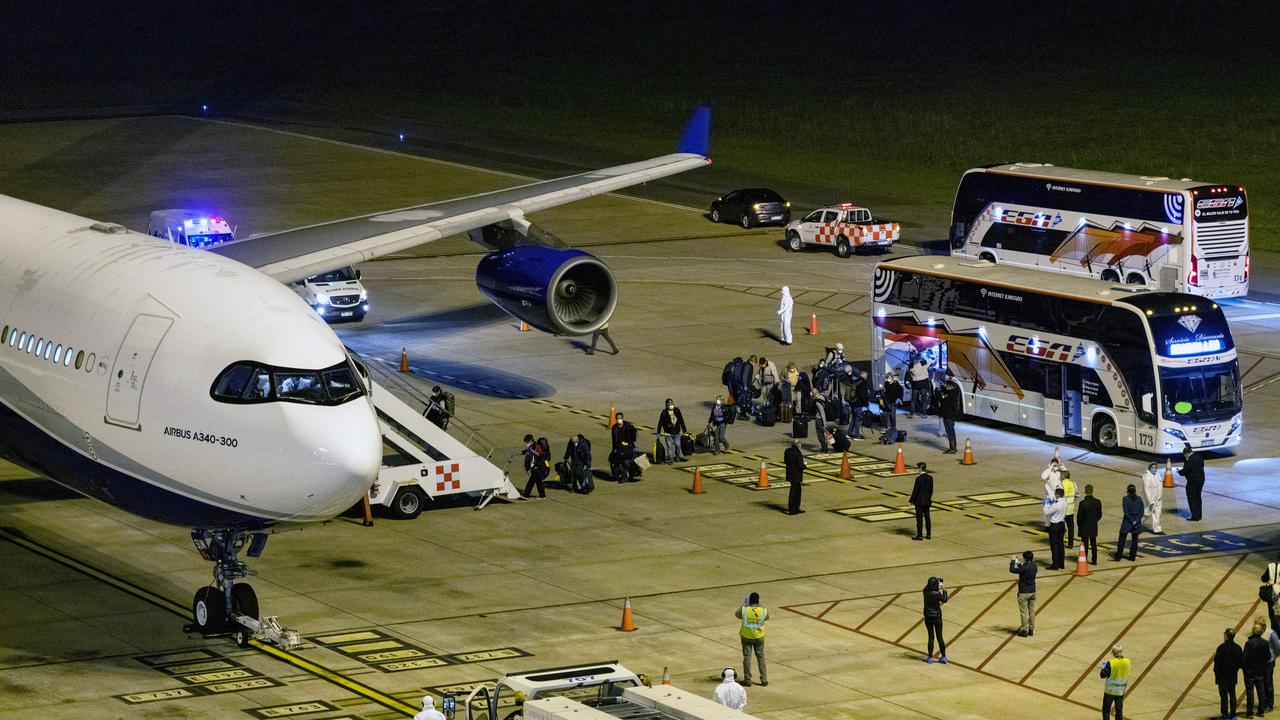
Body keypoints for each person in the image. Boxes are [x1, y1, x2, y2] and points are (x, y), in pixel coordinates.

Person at [735, 592, 768, 686]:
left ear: (749, 600)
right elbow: (767, 617)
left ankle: (748, 680)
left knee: (747, 657)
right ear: (758, 600)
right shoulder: (763, 610)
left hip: (746, 636)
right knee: (761, 657)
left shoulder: (745, 610)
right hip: (759, 637)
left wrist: (744, 605)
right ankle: (764, 679)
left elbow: (737, 614)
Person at [1215, 628, 1243, 720]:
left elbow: (1217, 663)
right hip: (1232, 675)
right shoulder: (1238, 648)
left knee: (1224, 696)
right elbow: (1240, 662)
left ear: (1226, 636)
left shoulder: (1221, 648)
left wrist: (1217, 674)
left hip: (1223, 676)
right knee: (1232, 694)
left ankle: (1225, 714)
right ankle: (1233, 714)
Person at [1245, 619, 1271, 718]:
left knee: (1250, 692)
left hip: (1250, 670)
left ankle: (1250, 712)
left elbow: (1245, 658)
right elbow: (1268, 656)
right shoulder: (1265, 643)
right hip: (1260, 670)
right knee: (1261, 690)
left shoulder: (1249, 643)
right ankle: (1261, 710)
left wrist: (1244, 667)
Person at [1099, 644, 1130, 720]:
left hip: (1110, 691)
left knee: (1106, 710)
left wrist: (1103, 666)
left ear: (1113, 653)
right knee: (1119, 710)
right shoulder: (1128, 662)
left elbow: (1102, 675)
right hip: (1120, 691)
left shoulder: (1110, 663)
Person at [922, 576, 949, 664]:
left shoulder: (925, 592)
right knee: (939, 637)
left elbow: (927, 587)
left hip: (928, 617)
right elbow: (945, 599)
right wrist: (944, 589)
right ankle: (944, 657)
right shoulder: (937, 594)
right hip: (937, 617)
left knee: (931, 637)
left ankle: (930, 657)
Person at [1010, 550, 1037, 637]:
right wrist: (1019, 563)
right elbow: (1023, 569)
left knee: (1024, 612)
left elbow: (1013, 570)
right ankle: (1031, 629)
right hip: (1032, 591)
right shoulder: (1034, 565)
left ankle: (1024, 630)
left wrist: (1013, 561)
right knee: (1031, 611)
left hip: (1024, 592)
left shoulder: (1024, 568)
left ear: (1026, 559)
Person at [1114, 484, 1143, 562]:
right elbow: (1142, 512)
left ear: (1127, 491)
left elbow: (1126, 512)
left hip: (1128, 521)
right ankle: (1132, 557)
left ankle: (1118, 556)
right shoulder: (1139, 499)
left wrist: (1132, 520)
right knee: (1135, 539)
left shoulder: (1125, 499)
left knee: (1122, 538)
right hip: (1137, 521)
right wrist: (1136, 520)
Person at [610, 412, 640, 482]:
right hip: (619, 448)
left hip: (628, 447)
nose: (619, 420)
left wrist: (630, 445)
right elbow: (614, 440)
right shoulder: (614, 428)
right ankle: (624, 477)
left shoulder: (628, 427)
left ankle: (631, 475)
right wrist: (614, 449)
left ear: (622, 418)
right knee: (620, 462)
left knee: (627, 462)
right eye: (617, 418)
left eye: (620, 418)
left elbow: (633, 438)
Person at [1077, 484, 1103, 565]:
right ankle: (1094, 560)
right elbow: (1100, 515)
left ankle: (1084, 558)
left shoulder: (1083, 503)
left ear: (1085, 491)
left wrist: (1080, 525)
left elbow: (1079, 516)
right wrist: (1094, 521)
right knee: (1093, 543)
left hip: (1084, 526)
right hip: (1093, 525)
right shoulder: (1097, 502)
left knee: (1084, 543)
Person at [1178, 443, 1205, 521]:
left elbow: (1185, 471)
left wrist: (1179, 472)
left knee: (1192, 498)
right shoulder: (1199, 457)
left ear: (1186, 454)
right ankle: (1199, 515)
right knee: (1198, 497)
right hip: (1201, 480)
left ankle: (1195, 516)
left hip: (1192, 482)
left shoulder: (1189, 460)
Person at [1043, 487, 1067, 570]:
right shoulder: (1065, 503)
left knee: (1054, 545)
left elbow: (1046, 512)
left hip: (1055, 525)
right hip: (1062, 524)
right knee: (1061, 544)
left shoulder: (1056, 505)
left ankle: (1055, 564)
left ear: (1057, 494)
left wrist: (1046, 504)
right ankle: (1061, 563)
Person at [656, 399, 687, 464]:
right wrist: (658, 433)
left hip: (677, 433)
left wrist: (684, 431)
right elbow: (660, 423)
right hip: (668, 434)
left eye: (672, 404)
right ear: (666, 405)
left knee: (678, 445)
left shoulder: (677, 410)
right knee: (670, 447)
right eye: (669, 405)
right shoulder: (664, 413)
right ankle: (671, 459)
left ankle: (677, 455)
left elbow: (681, 420)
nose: (671, 406)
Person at [937, 374, 962, 453]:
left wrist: (941, 391)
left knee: (949, 430)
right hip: (949, 412)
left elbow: (942, 396)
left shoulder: (952, 388)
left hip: (949, 412)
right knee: (950, 430)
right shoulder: (951, 387)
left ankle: (952, 448)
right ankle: (953, 447)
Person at [910, 462, 934, 541]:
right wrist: (928, 498)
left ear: (920, 468)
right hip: (927, 501)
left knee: (919, 518)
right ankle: (928, 534)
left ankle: (919, 535)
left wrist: (912, 500)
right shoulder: (930, 478)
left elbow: (915, 491)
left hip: (919, 502)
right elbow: (931, 490)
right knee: (927, 517)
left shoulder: (918, 479)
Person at [1141, 461, 1165, 535]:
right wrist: (1150, 500)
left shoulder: (1158, 475)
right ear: (1149, 468)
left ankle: (1157, 529)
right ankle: (1135, 525)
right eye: (1153, 468)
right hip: (1151, 500)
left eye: (1155, 468)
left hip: (1158, 499)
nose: (1154, 469)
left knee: (1157, 514)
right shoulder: (1147, 477)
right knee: (1146, 514)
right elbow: (1146, 489)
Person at [1262, 614, 1279, 714]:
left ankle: (1269, 704)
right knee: (1261, 683)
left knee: (1268, 683)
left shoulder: (1271, 634)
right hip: (1260, 662)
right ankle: (1263, 702)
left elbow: (1277, 647)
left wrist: (1273, 657)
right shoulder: (1257, 632)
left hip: (1268, 662)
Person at [784, 437, 806, 515]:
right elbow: (800, 466)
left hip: (790, 473)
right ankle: (794, 509)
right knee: (796, 492)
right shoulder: (798, 453)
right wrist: (805, 465)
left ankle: (793, 508)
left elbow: (785, 461)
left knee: (794, 490)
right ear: (798, 444)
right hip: (797, 475)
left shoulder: (787, 451)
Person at [521, 434, 546, 499]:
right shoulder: (531, 447)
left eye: (526, 442)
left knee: (531, 482)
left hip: (537, 467)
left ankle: (526, 495)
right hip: (533, 467)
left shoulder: (536, 446)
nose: (526, 444)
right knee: (538, 482)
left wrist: (533, 451)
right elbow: (526, 453)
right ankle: (542, 495)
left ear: (531, 441)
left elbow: (539, 454)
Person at [848, 369, 870, 440]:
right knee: (858, 419)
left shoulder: (855, 381)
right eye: (866, 376)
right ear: (864, 376)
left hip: (852, 403)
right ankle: (856, 434)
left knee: (853, 418)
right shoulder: (863, 383)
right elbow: (863, 395)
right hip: (858, 404)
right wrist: (866, 404)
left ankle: (849, 433)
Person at [1060, 469, 1078, 549]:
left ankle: (1060, 541)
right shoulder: (1073, 483)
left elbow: (1058, 495)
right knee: (1071, 527)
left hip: (1063, 508)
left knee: (1061, 527)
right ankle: (1071, 543)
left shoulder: (1061, 484)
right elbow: (1076, 495)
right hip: (1071, 508)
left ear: (1063, 476)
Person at [881, 373, 903, 437]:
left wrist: (899, 398)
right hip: (888, 401)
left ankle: (893, 428)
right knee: (886, 414)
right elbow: (885, 391)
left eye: (889, 378)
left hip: (894, 401)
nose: (888, 379)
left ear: (892, 378)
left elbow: (901, 390)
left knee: (892, 414)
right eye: (887, 378)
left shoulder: (896, 384)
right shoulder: (886, 383)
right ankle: (886, 427)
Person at [1264, 552, 1280, 633]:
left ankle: (1275, 634)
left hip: (1272, 592)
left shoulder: (1270, 566)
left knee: (1273, 616)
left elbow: (1264, 578)